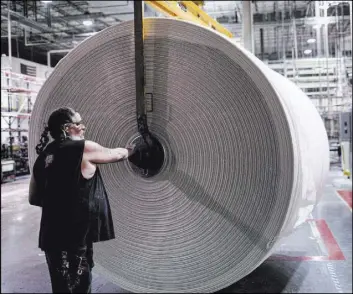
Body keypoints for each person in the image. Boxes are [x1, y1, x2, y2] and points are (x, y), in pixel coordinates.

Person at [29, 107, 136, 293]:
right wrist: (135, 148)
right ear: (66, 128)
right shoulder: (83, 148)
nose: (83, 126)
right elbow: (117, 154)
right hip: (75, 237)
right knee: (79, 286)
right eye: (78, 123)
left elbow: (34, 198)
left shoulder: (44, 155)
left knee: (61, 287)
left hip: (50, 237)